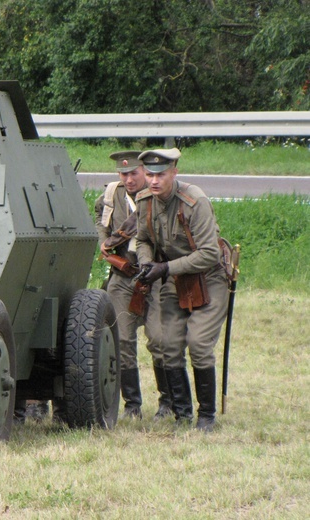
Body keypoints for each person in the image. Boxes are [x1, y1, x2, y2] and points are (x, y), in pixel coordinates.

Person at [134, 148, 229, 432]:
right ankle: (182, 414)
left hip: (208, 278)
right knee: (167, 345)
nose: (153, 180)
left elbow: (210, 254)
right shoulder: (144, 201)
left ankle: (207, 417)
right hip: (175, 281)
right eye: (149, 174)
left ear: (174, 172)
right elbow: (142, 239)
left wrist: (165, 269)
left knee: (199, 344)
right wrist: (146, 263)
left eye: (160, 174)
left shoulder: (193, 201)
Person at [94, 150, 170, 420]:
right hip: (124, 277)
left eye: (133, 173)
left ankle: (167, 402)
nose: (128, 179)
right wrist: (107, 247)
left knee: (160, 340)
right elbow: (101, 224)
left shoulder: (158, 195)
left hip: (157, 277)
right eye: (123, 174)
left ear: (144, 172)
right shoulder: (110, 195)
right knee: (121, 341)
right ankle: (132, 404)